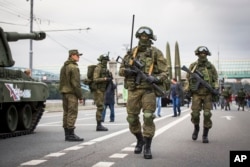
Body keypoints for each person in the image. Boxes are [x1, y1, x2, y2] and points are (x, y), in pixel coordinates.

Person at [119, 26, 168, 159]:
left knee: (147, 116)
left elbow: (165, 72)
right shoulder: (131, 52)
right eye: (141, 37)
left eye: (146, 37)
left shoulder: (156, 53)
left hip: (148, 90)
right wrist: (127, 71)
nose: (143, 39)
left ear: (150, 38)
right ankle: (139, 139)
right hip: (133, 90)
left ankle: (147, 146)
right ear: (138, 37)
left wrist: (156, 78)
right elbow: (120, 70)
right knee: (132, 118)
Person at [185, 46, 218, 143]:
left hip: (207, 94)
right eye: (201, 53)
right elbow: (187, 78)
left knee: (207, 114)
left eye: (204, 53)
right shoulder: (193, 66)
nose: (203, 55)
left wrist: (215, 88)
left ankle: (205, 134)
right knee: (195, 114)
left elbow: (215, 79)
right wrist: (187, 89)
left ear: (207, 54)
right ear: (198, 54)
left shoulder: (210, 67)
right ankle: (196, 128)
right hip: (196, 94)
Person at [59, 49, 84, 142]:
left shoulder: (64, 67)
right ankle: (71, 134)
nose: (79, 57)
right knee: (72, 113)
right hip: (72, 93)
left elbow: (61, 81)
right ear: (72, 55)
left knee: (66, 113)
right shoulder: (73, 67)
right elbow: (76, 84)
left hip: (64, 93)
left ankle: (67, 134)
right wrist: (80, 96)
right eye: (77, 55)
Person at [92, 55, 112, 131]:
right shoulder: (98, 68)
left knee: (101, 107)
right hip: (98, 90)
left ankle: (99, 124)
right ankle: (99, 124)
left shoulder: (104, 68)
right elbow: (95, 79)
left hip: (103, 90)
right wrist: (105, 78)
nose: (106, 62)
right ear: (102, 60)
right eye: (105, 60)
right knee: (100, 107)